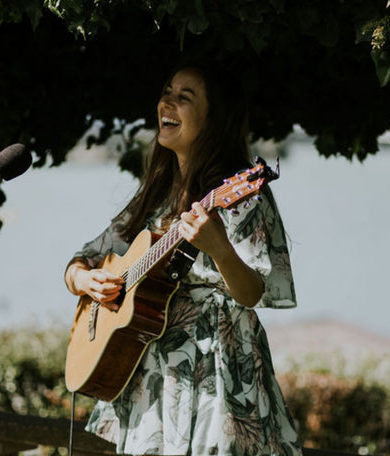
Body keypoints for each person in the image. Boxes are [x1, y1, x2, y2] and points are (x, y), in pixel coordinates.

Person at [64, 63, 301, 456]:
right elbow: (83, 259)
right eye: (167, 92)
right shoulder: (157, 193)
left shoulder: (240, 193)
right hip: (154, 373)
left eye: (184, 97)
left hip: (218, 369)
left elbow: (254, 291)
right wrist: (83, 280)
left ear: (214, 118)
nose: (167, 103)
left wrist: (219, 248)